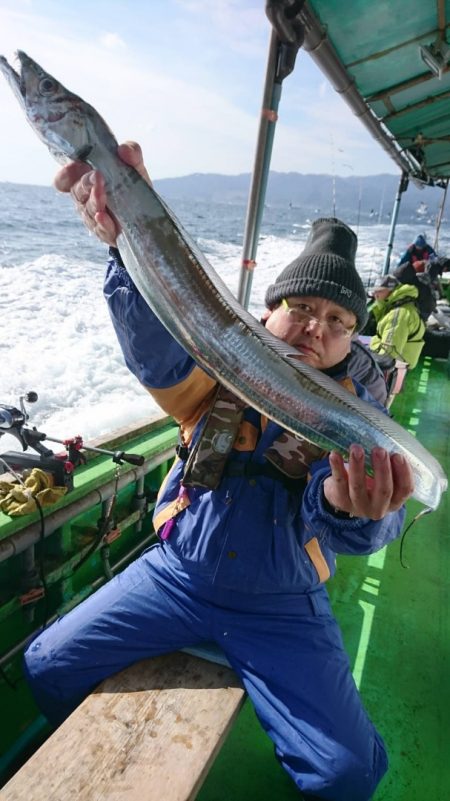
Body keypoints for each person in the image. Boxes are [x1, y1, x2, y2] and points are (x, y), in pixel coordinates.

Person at [23, 143, 415, 801]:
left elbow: (369, 528)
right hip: (176, 574)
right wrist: (127, 249)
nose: (316, 327)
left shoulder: (355, 413)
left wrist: (357, 510)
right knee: (45, 664)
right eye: (302, 307)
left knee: (349, 773)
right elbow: (157, 350)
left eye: (338, 320)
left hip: (282, 603)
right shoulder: (219, 365)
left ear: (353, 338)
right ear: (268, 310)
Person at [369, 274, 425, 369]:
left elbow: (388, 353)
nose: (375, 294)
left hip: (398, 364)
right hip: (402, 357)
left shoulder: (398, 314)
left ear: (391, 291)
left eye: (379, 290)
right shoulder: (403, 306)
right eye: (374, 291)